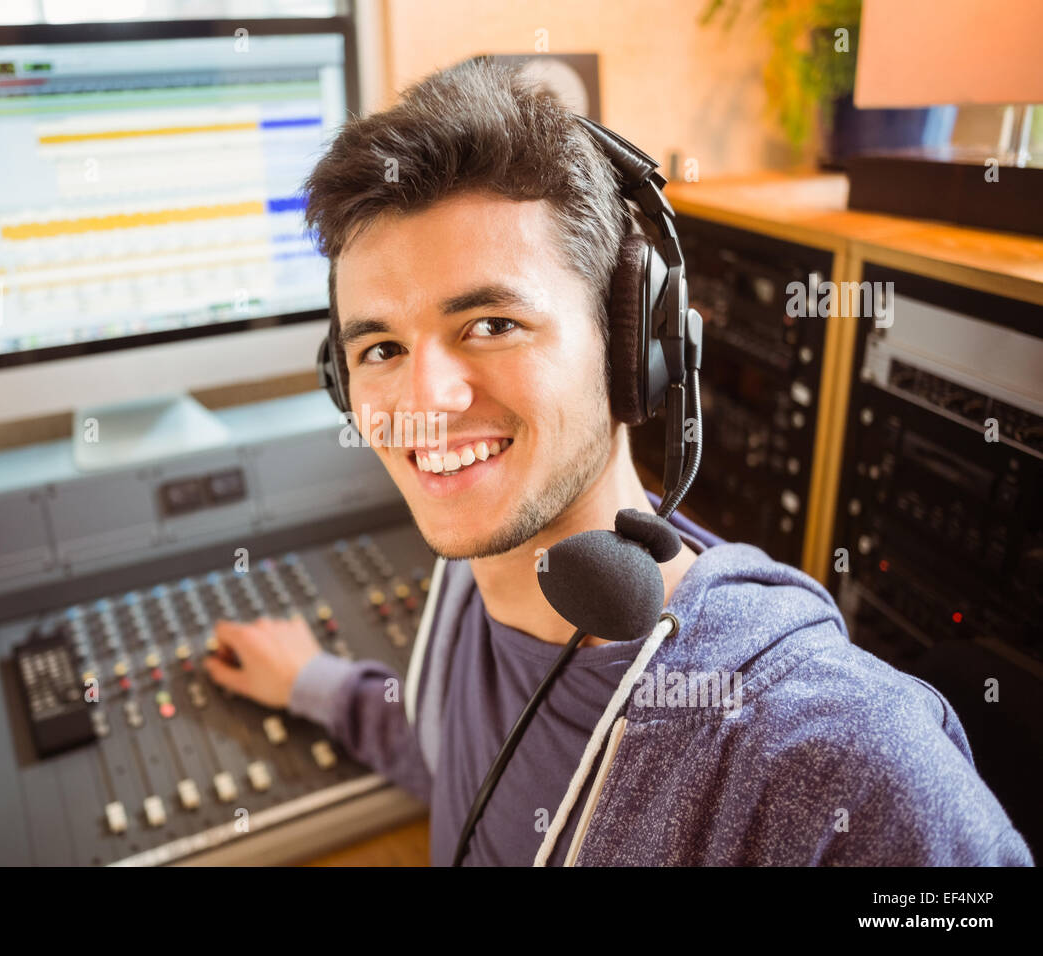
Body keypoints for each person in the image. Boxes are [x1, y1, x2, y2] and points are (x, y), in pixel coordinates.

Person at [203, 58, 1032, 866]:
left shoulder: (837, 757)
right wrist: (315, 685)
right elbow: (469, 764)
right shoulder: (466, 586)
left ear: (636, 348)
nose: (427, 399)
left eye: (491, 324)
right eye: (381, 346)